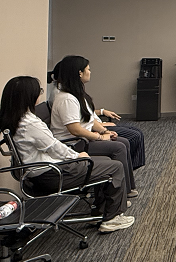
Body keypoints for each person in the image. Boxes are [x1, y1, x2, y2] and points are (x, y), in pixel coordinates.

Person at [1, 76, 134, 233]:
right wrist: (77, 156)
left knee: (103, 162)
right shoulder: (30, 124)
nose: (40, 94)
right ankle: (112, 219)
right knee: (114, 167)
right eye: (39, 91)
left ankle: (100, 211)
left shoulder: (14, 120)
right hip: (52, 174)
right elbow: (54, 147)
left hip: (40, 172)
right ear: (29, 96)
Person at [49, 55, 138, 198]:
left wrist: (105, 131)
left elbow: (88, 118)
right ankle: (121, 192)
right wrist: (100, 138)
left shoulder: (76, 95)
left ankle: (127, 187)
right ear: (79, 73)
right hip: (73, 144)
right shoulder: (66, 99)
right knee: (118, 147)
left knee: (124, 142)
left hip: (82, 140)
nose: (90, 72)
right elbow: (75, 129)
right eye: (88, 69)